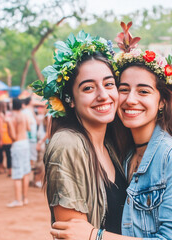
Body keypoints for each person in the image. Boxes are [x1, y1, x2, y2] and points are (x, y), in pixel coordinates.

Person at [50, 22, 172, 239]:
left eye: (143, 91)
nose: (130, 99)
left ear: (162, 102)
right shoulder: (123, 153)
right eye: (123, 89)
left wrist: (96, 236)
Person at [30, 31, 127, 234]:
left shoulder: (111, 145)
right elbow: (73, 235)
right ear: (70, 100)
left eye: (109, 84)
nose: (103, 95)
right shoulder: (67, 144)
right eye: (88, 88)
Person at [4, 98, 31, 207]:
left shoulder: (11, 118)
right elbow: (29, 128)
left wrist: (9, 125)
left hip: (17, 144)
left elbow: (14, 136)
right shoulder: (25, 116)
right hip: (25, 143)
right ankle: (25, 199)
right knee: (25, 172)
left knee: (17, 174)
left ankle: (18, 200)